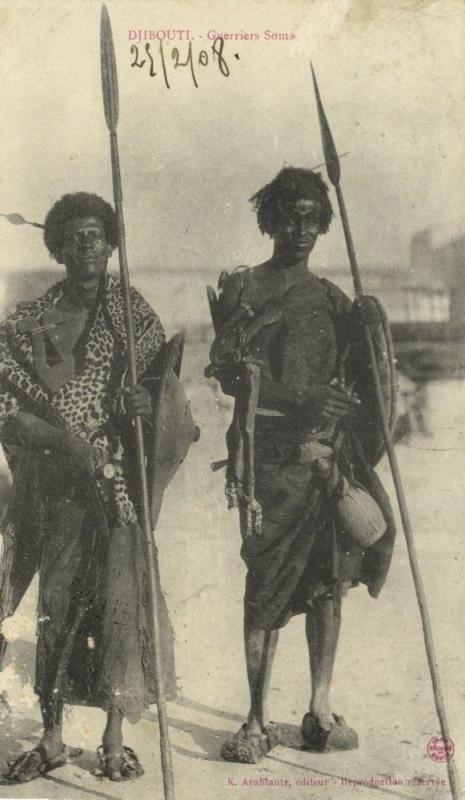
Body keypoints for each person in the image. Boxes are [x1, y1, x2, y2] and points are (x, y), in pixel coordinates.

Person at [0, 192, 175, 782]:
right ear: (58, 247)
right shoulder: (31, 320)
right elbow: (3, 402)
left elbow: (167, 396)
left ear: (112, 243)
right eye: (75, 237)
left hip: (118, 490)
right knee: (58, 608)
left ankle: (115, 740)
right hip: (59, 489)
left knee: (119, 607)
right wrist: (64, 443)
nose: (86, 246)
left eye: (96, 235)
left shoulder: (135, 316)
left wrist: (148, 403)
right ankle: (53, 737)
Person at [208, 167, 396, 762]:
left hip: (326, 462)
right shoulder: (246, 291)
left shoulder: (334, 299)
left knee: (327, 585)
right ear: (271, 219)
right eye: (292, 216)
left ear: (324, 225)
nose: (302, 229)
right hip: (269, 464)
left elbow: (366, 377)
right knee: (264, 585)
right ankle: (255, 719)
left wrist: (370, 324)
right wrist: (301, 398)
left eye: (313, 218)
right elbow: (231, 375)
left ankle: (318, 709)